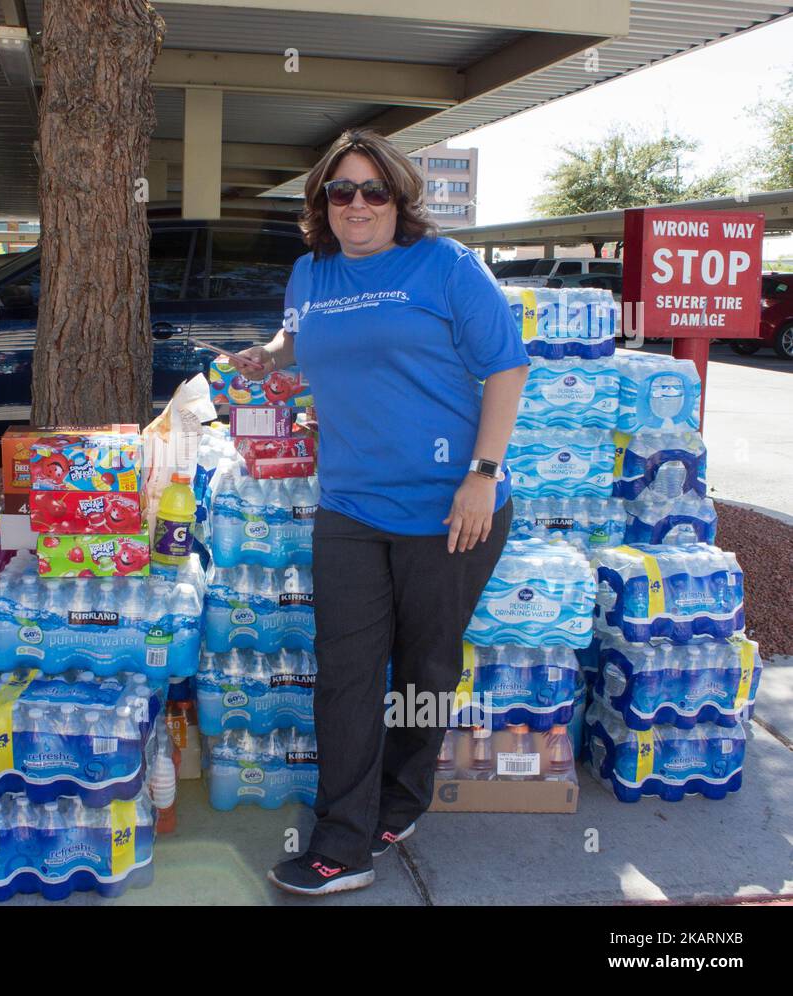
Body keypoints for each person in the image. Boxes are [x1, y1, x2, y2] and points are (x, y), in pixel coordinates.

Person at [223, 129, 531, 897]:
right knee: (348, 672)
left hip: (447, 507)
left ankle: (402, 799)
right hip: (351, 505)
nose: (356, 205)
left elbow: (507, 365)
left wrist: (482, 476)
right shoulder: (311, 270)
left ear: (399, 199)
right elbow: (299, 337)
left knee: (425, 667)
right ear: (321, 202)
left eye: (372, 191)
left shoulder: (446, 267)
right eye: (340, 191)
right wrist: (271, 356)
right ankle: (343, 840)